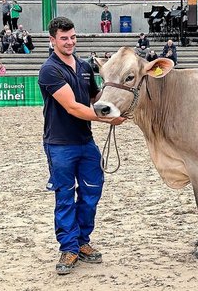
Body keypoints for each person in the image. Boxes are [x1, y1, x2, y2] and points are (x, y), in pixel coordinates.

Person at [37, 16, 126, 275]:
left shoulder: (85, 66)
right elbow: (74, 107)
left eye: (73, 37)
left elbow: (95, 97)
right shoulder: (49, 70)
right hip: (60, 144)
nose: (69, 42)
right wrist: (109, 116)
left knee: (92, 192)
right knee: (64, 196)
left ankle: (82, 241)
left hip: (86, 142)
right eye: (64, 38)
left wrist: (116, 101)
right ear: (52, 40)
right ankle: (69, 247)